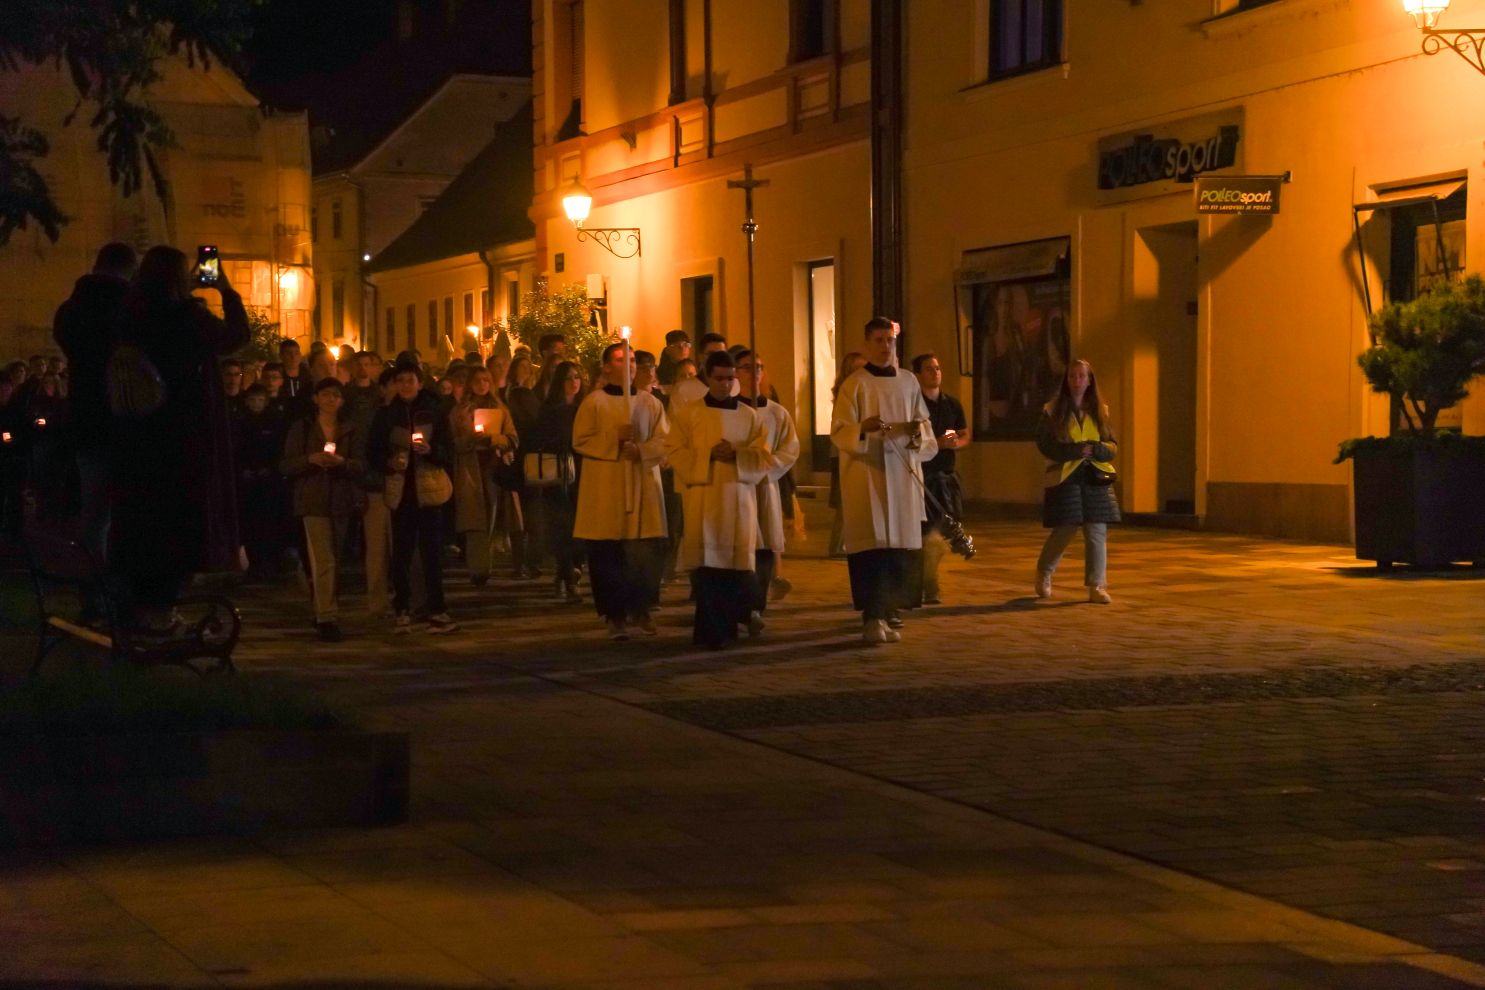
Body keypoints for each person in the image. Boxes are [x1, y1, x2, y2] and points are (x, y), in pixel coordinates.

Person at [109, 246, 247, 629]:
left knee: (144, 516)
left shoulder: (129, 315)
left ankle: (141, 605)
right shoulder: (188, 318)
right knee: (178, 521)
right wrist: (225, 289)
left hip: (139, 430)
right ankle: (161, 610)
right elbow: (236, 336)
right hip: (183, 430)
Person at [831, 318, 938, 645]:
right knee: (873, 548)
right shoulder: (855, 385)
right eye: (878, 340)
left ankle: (890, 611)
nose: (884, 346)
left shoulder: (908, 382)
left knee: (898, 551)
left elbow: (925, 427)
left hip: (901, 474)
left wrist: (914, 432)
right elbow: (839, 431)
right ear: (868, 343)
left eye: (889, 340)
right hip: (868, 477)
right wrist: (863, 427)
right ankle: (871, 617)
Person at [669, 351, 773, 648]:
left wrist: (739, 452)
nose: (726, 384)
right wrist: (706, 455)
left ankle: (729, 628)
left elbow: (764, 457)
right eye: (719, 378)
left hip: (738, 498)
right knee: (707, 569)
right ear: (707, 377)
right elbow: (674, 450)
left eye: (730, 378)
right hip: (704, 496)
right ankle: (708, 631)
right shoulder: (690, 413)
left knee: (733, 569)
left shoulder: (748, 416)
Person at [572, 342, 669, 639]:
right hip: (606, 486)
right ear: (605, 367)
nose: (628, 364)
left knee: (644, 551)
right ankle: (614, 615)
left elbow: (665, 440)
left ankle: (641, 608)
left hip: (641, 483)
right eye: (620, 359)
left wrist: (641, 449)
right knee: (608, 553)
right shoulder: (594, 402)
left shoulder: (650, 403)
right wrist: (612, 439)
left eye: (631, 360)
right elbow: (580, 439)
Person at [53, 241, 135, 578]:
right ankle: (124, 587)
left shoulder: (70, 310)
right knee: (130, 512)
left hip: (86, 420)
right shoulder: (130, 306)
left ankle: (93, 589)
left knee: (95, 513)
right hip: (128, 420)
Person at [367, 360, 460, 633]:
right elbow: (372, 452)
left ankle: (437, 610)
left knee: (432, 552)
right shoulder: (386, 415)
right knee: (402, 553)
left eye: (411, 380)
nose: (406, 385)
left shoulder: (434, 412)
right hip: (400, 491)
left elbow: (448, 452)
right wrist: (389, 463)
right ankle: (402, 609)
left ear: (419, 383)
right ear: (395, 385)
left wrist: (430, 450)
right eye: (401, 381)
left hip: (429, 490)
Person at [281, 378, 365, 640]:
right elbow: (287, 464)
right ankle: (326, 616)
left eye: (336, 395)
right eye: (326, 394)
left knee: (334, 558)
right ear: (315, 398)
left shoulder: (350, 429)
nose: (331, 399)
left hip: (341, 500)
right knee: (323, 558)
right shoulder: (303, 427)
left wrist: (342, 462)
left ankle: (322, 606)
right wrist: (311, 459)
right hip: (312, 499)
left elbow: (361, 465)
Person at [1035, 359, 1119, 604]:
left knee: (1096, 530)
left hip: (1095, 476)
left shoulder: (1100, 410)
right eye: (1072, 376)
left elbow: (1112, 444)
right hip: (1065, 474)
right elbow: (1044, 444)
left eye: (1082, 376)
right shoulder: (1052, 410)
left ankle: (1097, 585)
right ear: (1066, 380)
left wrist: (1097, 450)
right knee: (1065, 528)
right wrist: (1073, 451)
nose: (1077, 381)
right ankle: (1044, 572)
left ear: (1090, 380)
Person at [735, 349, 800, 619]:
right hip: (736, 487)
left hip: (765, 486)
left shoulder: (777, 412)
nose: (755, 372)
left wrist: (768, 466)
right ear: (736, 372)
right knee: (739, 545)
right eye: (748, 367)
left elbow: (790, 448)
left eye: (759, 367)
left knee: (763, 548)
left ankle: (756, 606)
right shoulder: (730, 410)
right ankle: (738, 603)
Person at [451, 366, 517, 586]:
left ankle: (486, 564)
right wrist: (471, 438)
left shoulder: (500, 409)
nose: (482, 385)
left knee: (492, 514)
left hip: (493, 467)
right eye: (477, 381)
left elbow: (512, 438)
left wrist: (493, 439)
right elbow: (453, 442)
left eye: (486, 381)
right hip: (470, 468)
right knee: (474, 520)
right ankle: (478, 568)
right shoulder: (459, 411)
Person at [912, 352, 970, 605]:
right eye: (928, 368)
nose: (935, 372)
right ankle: (928, 583)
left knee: (943, 530)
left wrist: (955, 443)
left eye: (937, 368)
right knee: (926, 532)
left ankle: (928, 579)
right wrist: (935, 443)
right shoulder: (915, 406)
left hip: (946, 475)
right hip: (923, 475)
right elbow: (913, 441)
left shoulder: (952, 404)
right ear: (918, 374)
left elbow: (965, 433)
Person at [529, 360, 585, 603]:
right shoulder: (550, 410)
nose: (574, 382)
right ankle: (567, 577)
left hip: (582, 473)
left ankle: (570, 572)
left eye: (577, 377)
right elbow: (541, 439)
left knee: (579, 528)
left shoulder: (585, 408)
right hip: (558, 475)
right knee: (562, 527)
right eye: (569, 378)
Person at [233, 384, 286, 580]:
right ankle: (254, 565)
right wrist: (243, 470)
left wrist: (270, 468)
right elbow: (235, 450)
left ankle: (270, 564)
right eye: (253, 400)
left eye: (260, 400)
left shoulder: (273, 423)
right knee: (250, 524)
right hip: (247, 481)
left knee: (269, 523)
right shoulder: (239, 423)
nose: (257, 404)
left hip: (268, 481)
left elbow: (278, 449)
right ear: (247, 402)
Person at [828, 351, 867, 558]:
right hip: (842, 452)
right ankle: (836, 545)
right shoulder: (846, 393)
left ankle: (845, 543)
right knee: (844, 502)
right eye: (856, 369)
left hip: (854, 449)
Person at [670, 332, 728, 410]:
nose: (717, 359)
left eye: (721, 354)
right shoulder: (683, 390)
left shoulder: (734, 387)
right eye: (711, 354)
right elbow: (674, 421)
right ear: (701, 357)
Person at [0, 378, 24, 539]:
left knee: (14, 493)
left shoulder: (17, 408)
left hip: (14, 456)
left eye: (7, 389)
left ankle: (14, 529)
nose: (5, 392)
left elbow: (23, 430)